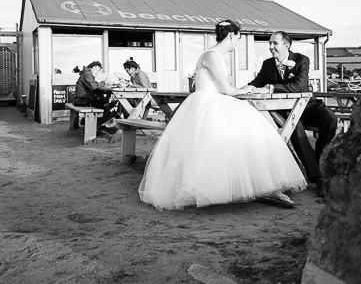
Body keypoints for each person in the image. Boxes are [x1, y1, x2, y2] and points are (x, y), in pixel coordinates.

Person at [139, 20, 307, 211]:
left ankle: (258, 185)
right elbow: (226, 89)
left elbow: (223, 87)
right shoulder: (211, 55)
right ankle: (261, 187)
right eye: (237, 39)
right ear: (231, 36)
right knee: (246, 128)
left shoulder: (216, 56)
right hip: (208, 102)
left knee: (246, 132)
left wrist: (244, 88)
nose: (237, 44)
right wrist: (246, 90)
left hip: (213, 99)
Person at [246, 31, 338, 190]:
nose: (271, 47)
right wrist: (246, 88)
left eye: (274, 43)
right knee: (294, 126)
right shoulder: (267, 65)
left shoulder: (302, 60)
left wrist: (272, 88)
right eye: (270, 43)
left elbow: (298, 87)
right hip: (285, 111)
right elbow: (256, 83)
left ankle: (322, 163)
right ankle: (317, 178)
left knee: (330, 119)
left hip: (308, 106)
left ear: (286, 45)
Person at [74, 61, 117, 135]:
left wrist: (103, 88)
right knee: (108, 107)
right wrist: (104, 82)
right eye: (96, 69)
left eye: (98, 70)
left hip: (83, 99)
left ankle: (88, 124)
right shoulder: (87, 75)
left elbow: (94, 85)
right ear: (90, 68)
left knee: (105, 104)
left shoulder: (87, 75)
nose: (97, 72)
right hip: (83, 100)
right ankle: (96, 127)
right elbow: (94, 87)